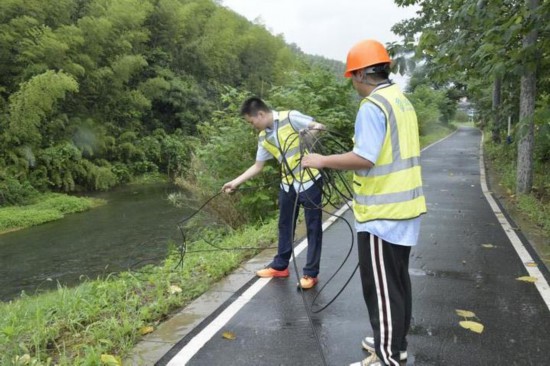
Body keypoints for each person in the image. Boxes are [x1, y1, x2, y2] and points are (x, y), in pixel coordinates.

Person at [302, 39, 427, 366]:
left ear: (360, 74)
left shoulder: (372, 106)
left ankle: (388, 357)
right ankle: (394, 343)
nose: (353, 84)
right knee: (397, 283)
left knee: (382, 290)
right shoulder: (400, 100)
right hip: (405, 210)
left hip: (382, 214)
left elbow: (365, 157)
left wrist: (322, 160)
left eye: (352, 77)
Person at [223, 97, 325, 290]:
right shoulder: (263, 137)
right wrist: (235, 182)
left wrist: (308, 135)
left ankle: (310, 274)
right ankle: (280, 266)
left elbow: (319, 127)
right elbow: (257, 166)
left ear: (260, 114)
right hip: (287, 185)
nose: (252, 126)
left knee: (313, 227)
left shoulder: (291, 117)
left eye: (251, 122)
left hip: (310, 180)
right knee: (285, 224)